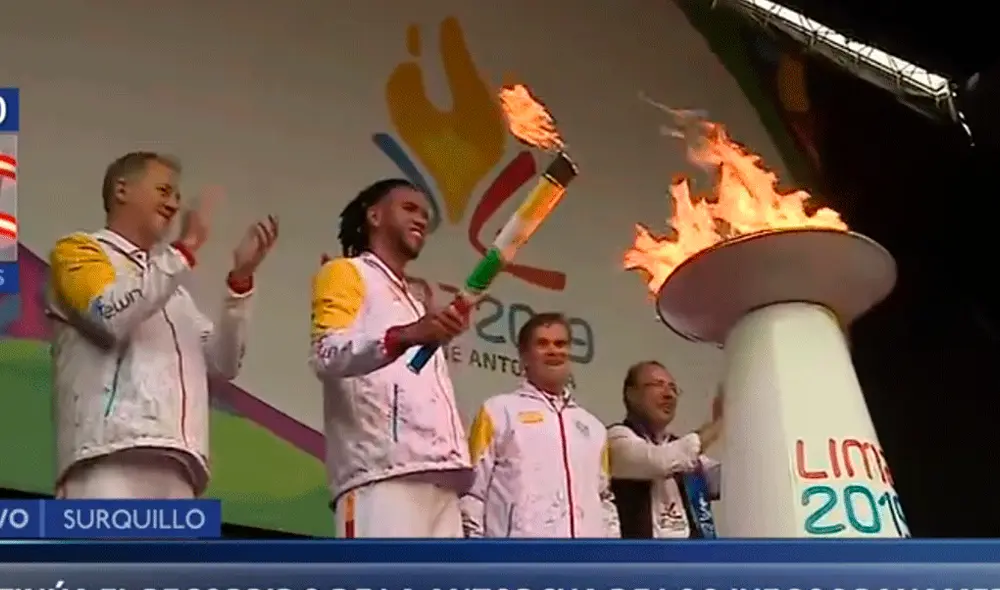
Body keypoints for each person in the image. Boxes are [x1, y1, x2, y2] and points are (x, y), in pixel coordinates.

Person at [47, 151, 278, 499]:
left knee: (171, 558)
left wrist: (239, 283)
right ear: (122, 190)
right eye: (164, 190)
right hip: (107, 458)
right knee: (105, 557)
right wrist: (185, 249)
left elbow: (223, 363)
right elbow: (109, 315)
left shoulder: (174, 294)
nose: (173, 204)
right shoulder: (78, 252)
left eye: (178, 197)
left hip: (179, 467)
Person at [310, 178, 473, 538]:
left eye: (426, 216)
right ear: (374, 215)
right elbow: (327, 353)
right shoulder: (346, 272)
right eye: (409, 209)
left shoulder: (415, 301)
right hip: (378, 476)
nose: (421, 220)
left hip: (440, 478)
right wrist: (406, 334)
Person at [461, 312, 620, 538]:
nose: (554, 351)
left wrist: (610, 555)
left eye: (561, 344)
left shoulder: (592, 427)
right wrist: (479, 557)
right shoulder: (498, 411)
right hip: (518, 562)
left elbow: (604, 501)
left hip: (586, 563)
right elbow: (472, 493)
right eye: (542, 344)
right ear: (524, 356)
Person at [607, 360, 723, 538]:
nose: (669, 394)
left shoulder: (679, 449)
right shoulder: (616, 439)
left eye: (673, 388)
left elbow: (726, 479)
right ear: (631, 394)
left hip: (691, 560)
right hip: (641, 562)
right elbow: (660, 461)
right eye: (657, 385)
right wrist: (717, 426)